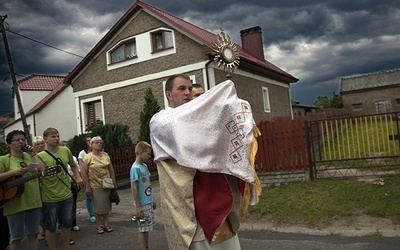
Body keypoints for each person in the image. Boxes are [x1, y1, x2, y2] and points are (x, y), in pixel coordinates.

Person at [150, 74, 261, 249]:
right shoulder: (161, 120)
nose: (187, 92)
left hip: (214, 192)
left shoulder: (195, 117)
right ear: (168, 95)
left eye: (189, 88)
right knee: (198, 242)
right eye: (181, 89)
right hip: (187, 199)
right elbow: (186, 133)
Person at [37, 127, 83, 250]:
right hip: (50, 196)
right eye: (53, 136)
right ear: (46, 139)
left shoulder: (65, 150)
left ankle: (66, 247)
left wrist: (78, 177)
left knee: (66, 224)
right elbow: (38, 175)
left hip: (66, 193)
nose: (57, 138)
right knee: (50, 226)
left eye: (58, 136)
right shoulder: (40, 156)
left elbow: (73, 165)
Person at [0, 130, 45, 250]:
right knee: (16, 237)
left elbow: (42, 169)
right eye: (17, 140)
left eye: (23, 139)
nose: (21, 142)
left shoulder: (29, 157)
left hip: (33, 201)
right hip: (15, 203)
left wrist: (33, 154)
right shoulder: (5, 159)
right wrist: (13, 172)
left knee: (33, 234)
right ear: (9, 144)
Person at [80, 136, 117, 234]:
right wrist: (87, 186)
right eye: (96, 142)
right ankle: (99, 226)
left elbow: (110, 168)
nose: (99, 144)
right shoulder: (88, 157)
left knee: (106, 205)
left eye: (100, 142)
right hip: (95, 184)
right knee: (97, 206)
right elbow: (84, 172)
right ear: (91, 145)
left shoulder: (105, 155)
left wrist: (113, 180)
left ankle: (106, 224)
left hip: (107, 184)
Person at [130, 141, 156, 250]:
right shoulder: (135, 168)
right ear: (140, 153)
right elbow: (134, 188)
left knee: (147, 228)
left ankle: (146, 246)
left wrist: (152, 199)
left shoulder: (144, 166)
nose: (149, 156)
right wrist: (138, 206)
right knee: (142, 229)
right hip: (142, 203)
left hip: (148, 201)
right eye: (148, 154)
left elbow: (148, 184)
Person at [78, 135, 96, 223]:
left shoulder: (96, 152)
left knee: (97, 196)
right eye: (87, 141)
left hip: (95, 177)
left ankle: (98, 212)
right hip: (87, 177)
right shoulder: (82, 153)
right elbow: (81, 167)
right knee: (88, 196)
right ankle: (91, 214)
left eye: (91, 140)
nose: (89, 142)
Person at [32, 136, 46, 241]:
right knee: (40, 210)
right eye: (37, 144)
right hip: (36, 185)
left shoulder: (47, 154)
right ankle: (41, 229)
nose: (40, 146)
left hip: (47, 185)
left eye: (42, 143)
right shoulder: (31, 157)